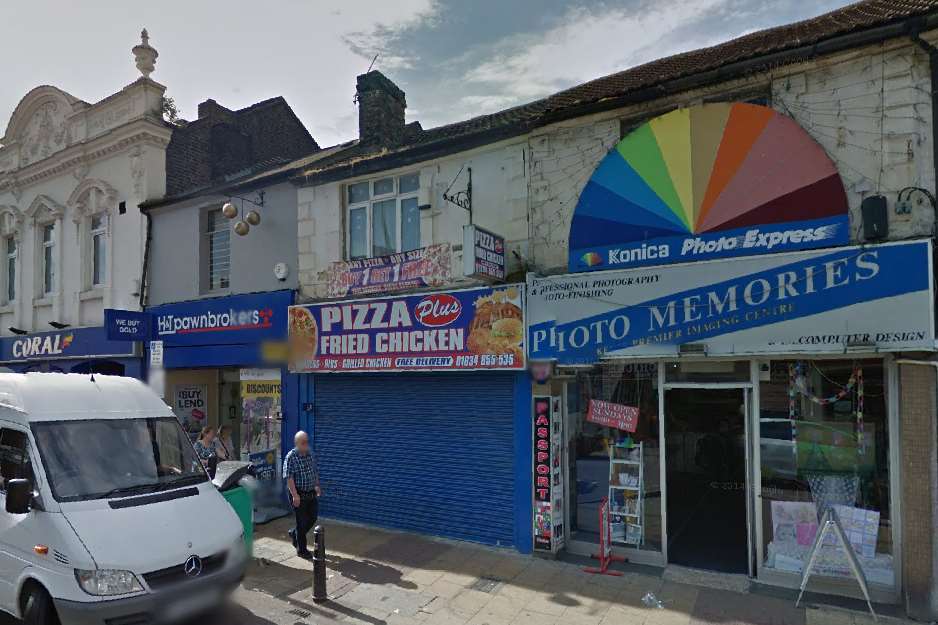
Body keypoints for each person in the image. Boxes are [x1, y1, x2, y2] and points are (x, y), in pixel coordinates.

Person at [283, 431, 320, 559]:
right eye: (303, 442)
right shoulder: (291, 457)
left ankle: (295, 534)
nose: (306, 444)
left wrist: (316, 486)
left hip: (310, 492)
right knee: (301, 521)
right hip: (298, 492)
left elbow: (314, 471)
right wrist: (295, 495)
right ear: (297, 443)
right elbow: (289, 478)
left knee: (313, 517)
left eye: (307, 441)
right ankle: (302, 550)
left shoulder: (310, 454)